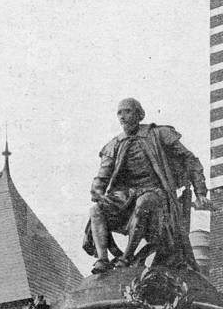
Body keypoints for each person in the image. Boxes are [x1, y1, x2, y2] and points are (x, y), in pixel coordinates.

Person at [83, 98, 210, 275]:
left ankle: (126, 258)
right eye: (119, 113)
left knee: (145, 201)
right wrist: (97, 191)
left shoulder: (158, 134)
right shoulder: (114, 144)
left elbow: (189, 160)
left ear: (139, 114)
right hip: (126, 197)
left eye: (127, 111)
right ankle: (102, 260)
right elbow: (102, 175)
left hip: (157, 193)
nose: (122, 117)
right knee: (96, 210)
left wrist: (200, 192)